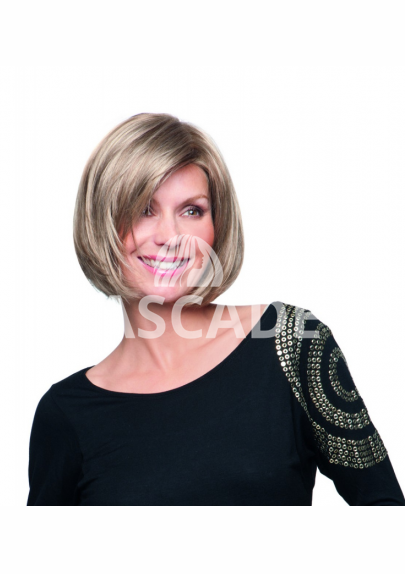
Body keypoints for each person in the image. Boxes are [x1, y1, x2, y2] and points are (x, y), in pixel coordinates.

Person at [26, 113, 405, 505]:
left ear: (216, 226)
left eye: (192, 210)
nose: (170, 236)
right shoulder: (66, 413)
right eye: (143, 209)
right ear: (101, 224)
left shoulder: (292, 343)